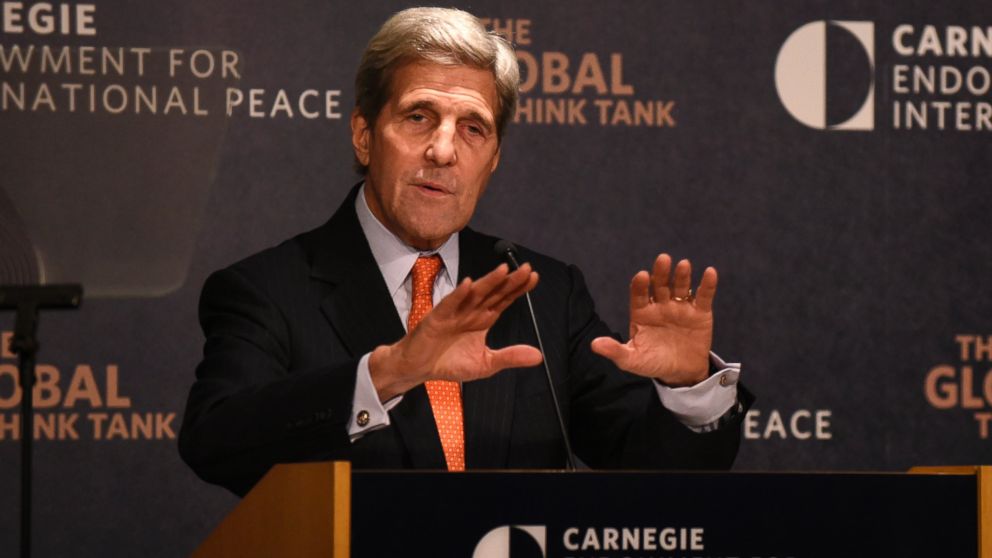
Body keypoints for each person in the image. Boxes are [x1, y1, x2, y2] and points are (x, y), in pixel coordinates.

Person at [178, 7, 752, 496]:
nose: (444, 150)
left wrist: (685, 391)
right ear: (363, 134)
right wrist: (387, 374)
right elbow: (217, 441)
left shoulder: (542, 295)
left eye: (473, 128)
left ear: (493, 156)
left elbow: (652, 474)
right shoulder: (268, 289)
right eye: (418, 116)